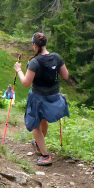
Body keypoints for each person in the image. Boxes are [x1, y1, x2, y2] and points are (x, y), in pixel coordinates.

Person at [14, 32, 70, 166]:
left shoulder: (34, 62)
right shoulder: (56, 57)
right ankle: (39, 146)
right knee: (43, 119)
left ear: (35, 45)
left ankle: (45, 155)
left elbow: (26, 83)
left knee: (34, 124)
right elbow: (66, 76)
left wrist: (18, 70)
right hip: (54, 96)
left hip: (38, 97)